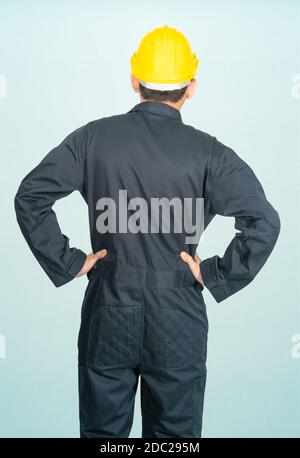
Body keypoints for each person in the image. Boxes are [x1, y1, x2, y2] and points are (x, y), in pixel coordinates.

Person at [14, 25, 280, 438]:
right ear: (190, 88)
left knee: (104, 439)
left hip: (108, 308)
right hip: (177, 318)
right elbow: (264, 221)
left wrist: (69, 261)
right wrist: (213, 273)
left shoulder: (92, 140)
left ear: (135, 81)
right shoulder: (210, 154)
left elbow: (30, 195)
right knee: (174, 441)